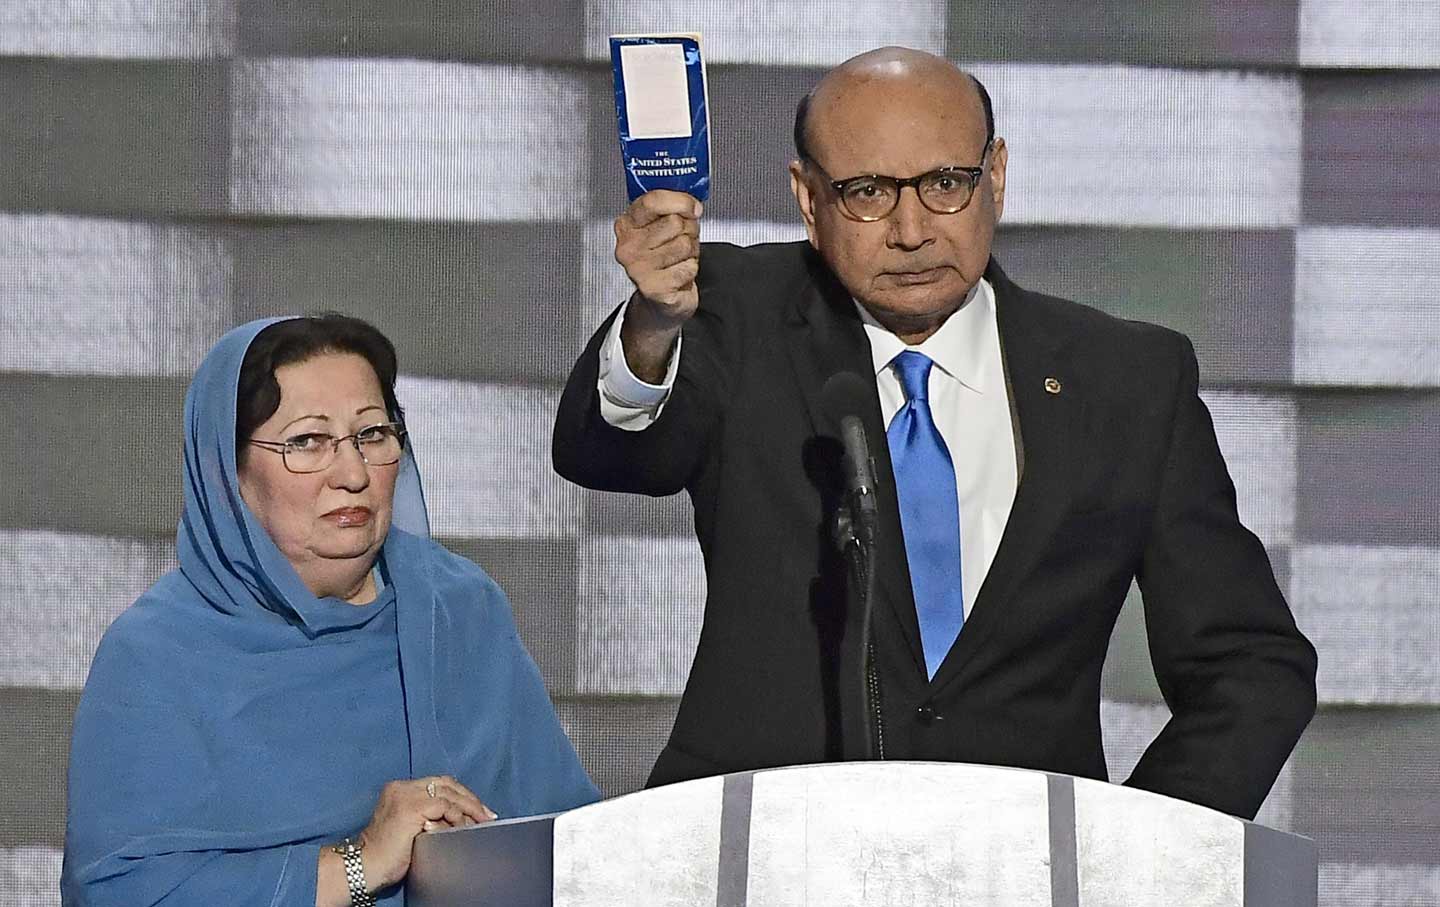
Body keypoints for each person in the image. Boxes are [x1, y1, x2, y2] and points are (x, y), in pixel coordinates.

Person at [552, 47, 1317, 819]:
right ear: (808, 200)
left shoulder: (1128, 379)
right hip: (759, 857)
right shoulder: (736, 315)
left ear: (998, 177)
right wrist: (653, 326)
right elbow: (608, 448)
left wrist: (1139, 853)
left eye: (946, 184)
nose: (912, 230)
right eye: (868, 193)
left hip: (1023, 872)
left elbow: (1251, 662)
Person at [64, 315, 598, 907]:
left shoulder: (460, 608)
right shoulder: (158, 653)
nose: (353, 475)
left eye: (372, 435)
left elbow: (571, 845)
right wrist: (361, 862)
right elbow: (121, 893)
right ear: (228, 471)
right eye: (307, 442)